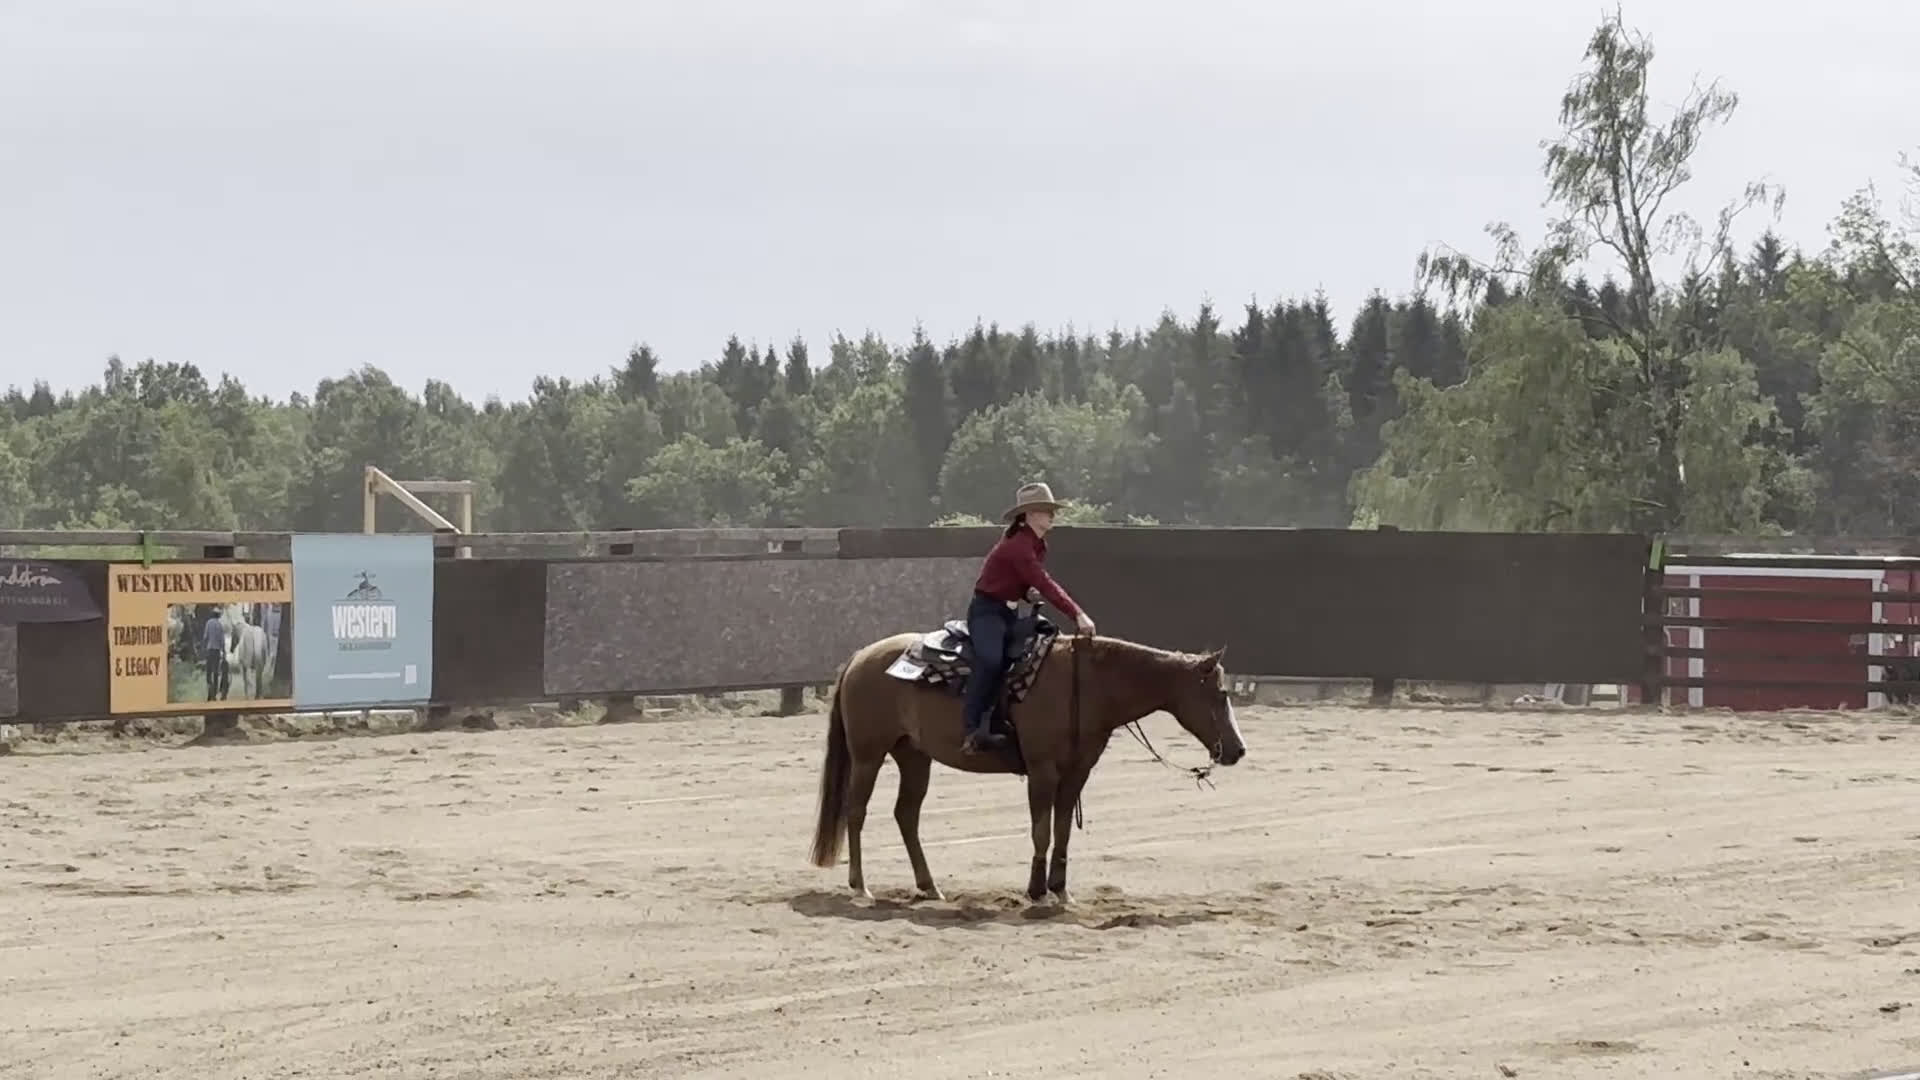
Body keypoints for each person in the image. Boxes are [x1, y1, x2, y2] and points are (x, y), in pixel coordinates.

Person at [961, 481, 1098, 754]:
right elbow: (1046, 584)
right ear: (1031, 515)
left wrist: (1026, 592)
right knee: (991, 660)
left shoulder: (1036, 545)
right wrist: (1078, 615)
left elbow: (1026, 581)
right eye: (1047, 511)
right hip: (987, 613)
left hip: (1008, 613)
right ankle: (973, 728)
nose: (1052, 515)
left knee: (1041, 648)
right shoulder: (1019, 547)